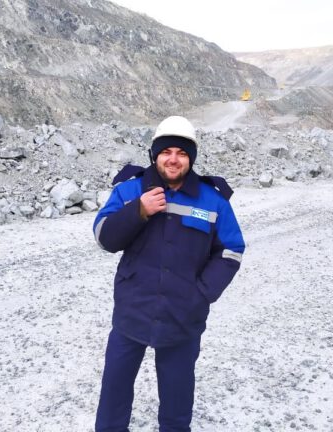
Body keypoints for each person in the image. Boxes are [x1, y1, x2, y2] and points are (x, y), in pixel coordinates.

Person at [92, 116, 245, 431]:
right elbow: (104, 238)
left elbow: (231, 250)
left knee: (177, 399)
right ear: (154, 155)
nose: (173, 159)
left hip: (183, 316)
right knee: (114, 392)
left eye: (182, 153)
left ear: (192, 158)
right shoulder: (131, 190)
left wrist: (201, 293)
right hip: (132, 310)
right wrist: (138, 210)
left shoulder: (213, 200)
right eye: (166, 151)